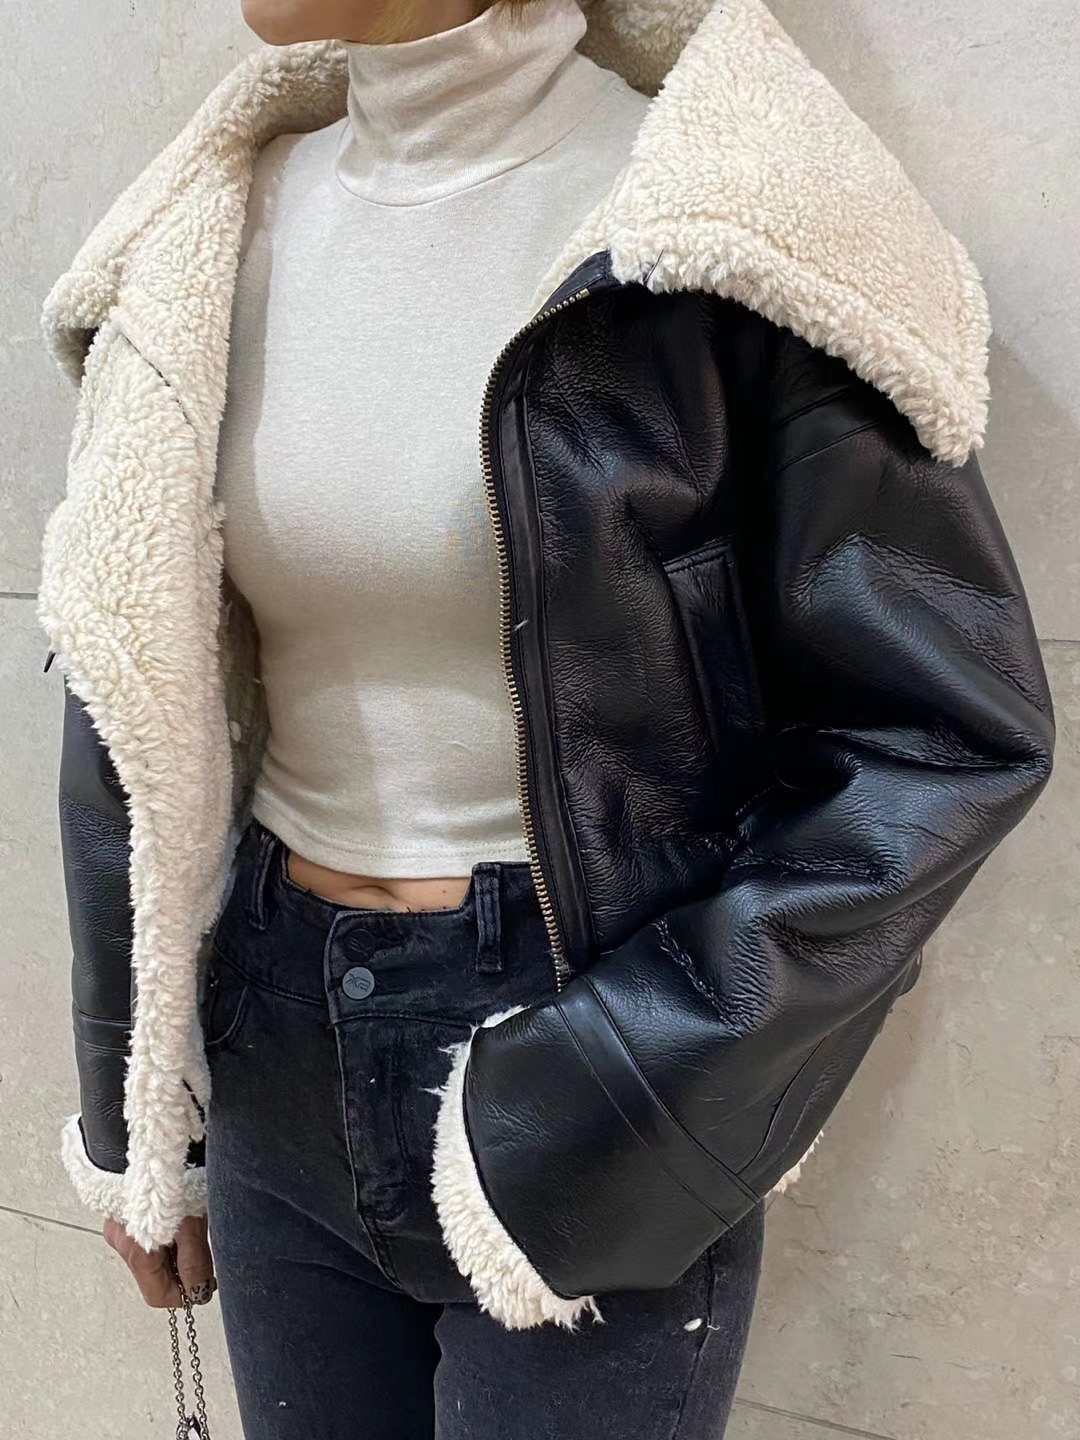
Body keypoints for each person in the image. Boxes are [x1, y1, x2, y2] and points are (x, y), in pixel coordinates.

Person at [37, 0, 1054, 1435]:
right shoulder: (194, 240)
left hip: (586, 1058)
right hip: (272, 1043)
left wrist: (648, 1066)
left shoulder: (726, 222)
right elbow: (129, 705)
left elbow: (946, 733)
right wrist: (140, 1118)